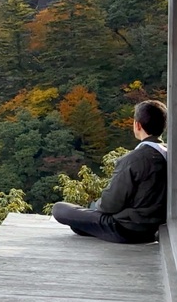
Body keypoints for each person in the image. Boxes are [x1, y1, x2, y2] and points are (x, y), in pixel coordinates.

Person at [52, 99, 168, 244]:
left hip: (127, 228)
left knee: (59, 209)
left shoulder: (133, 159)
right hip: (155, 227)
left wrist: (96, 209)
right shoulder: (171, 155)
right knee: (80, 223)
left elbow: (110, 204)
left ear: (137, 125)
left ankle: (88, 225)